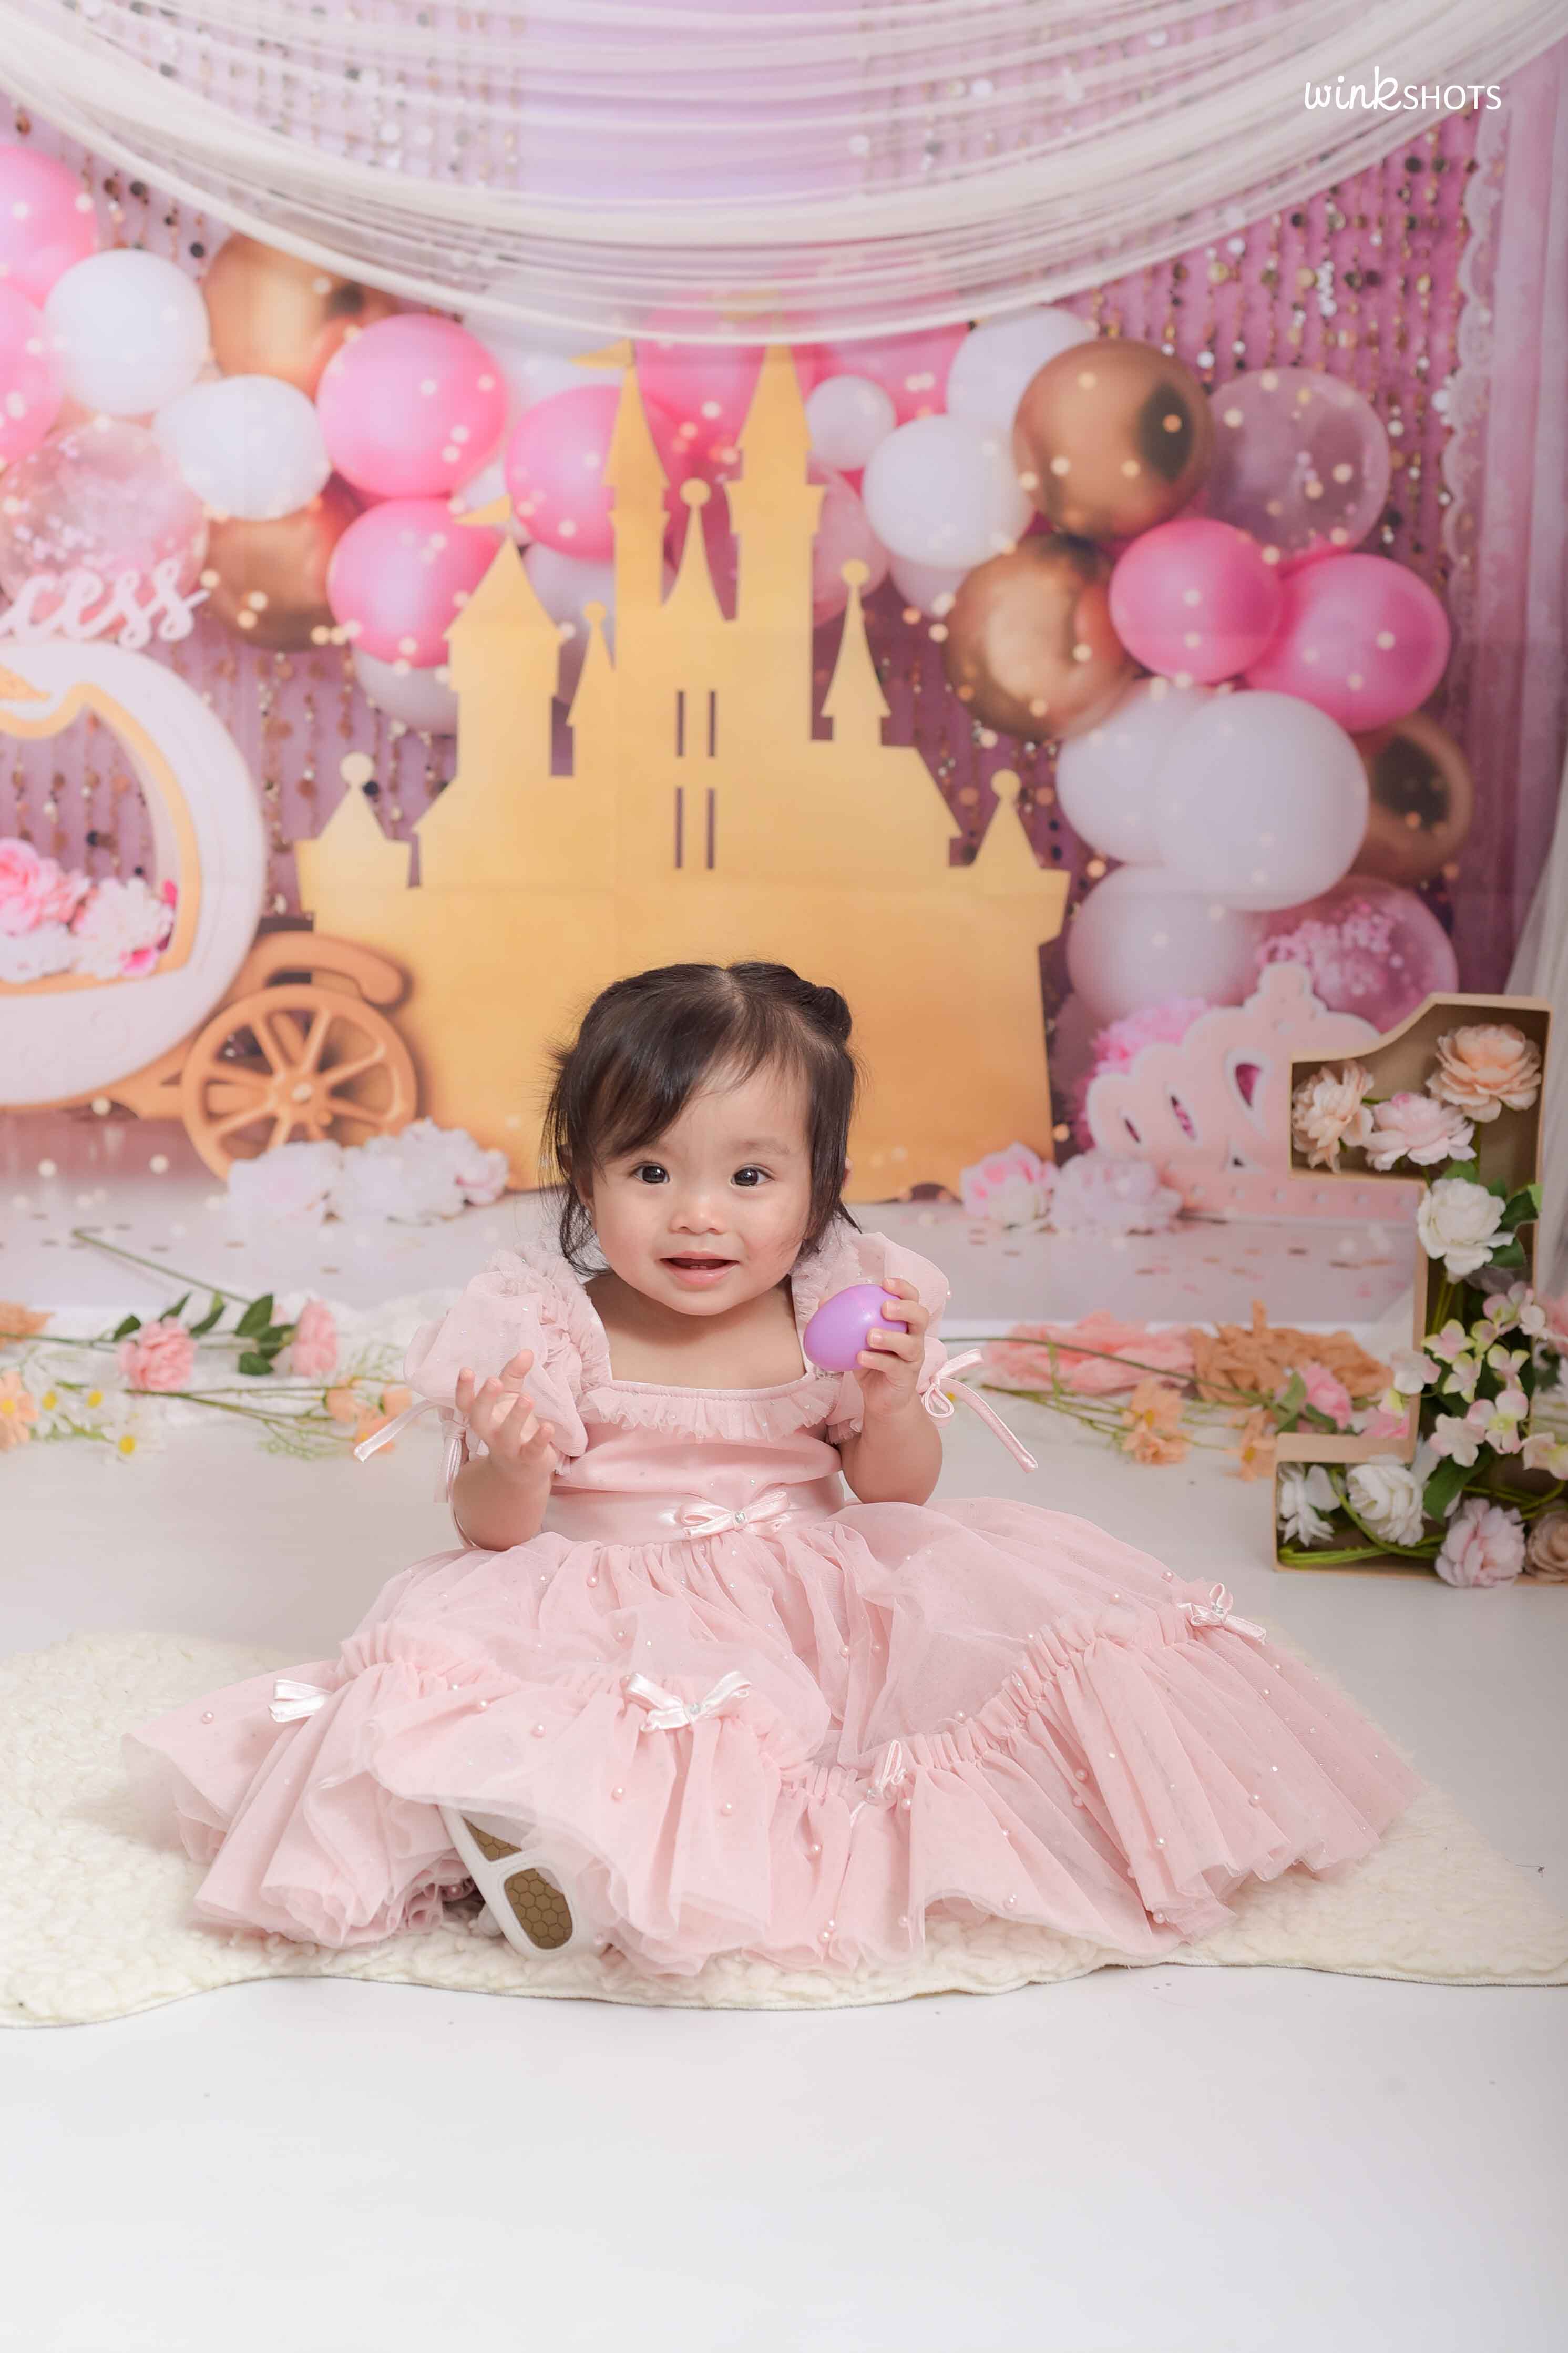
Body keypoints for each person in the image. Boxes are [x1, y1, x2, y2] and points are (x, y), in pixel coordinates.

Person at [124, 960, 1421, 1978]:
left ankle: (596, 1856)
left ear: (819, 1182)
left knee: (897, 1712)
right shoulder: (545, 1321)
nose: (699, 1214)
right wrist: (511, 1464)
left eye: (750, 1175)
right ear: (584, 1176)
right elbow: (492, 1534)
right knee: (565, 1706)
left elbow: (894, 1496)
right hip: (601, 1594)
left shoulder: (838, 1306)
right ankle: (529, 1843)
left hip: (811, 1591)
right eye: (650, 1171)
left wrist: (891, 1402)